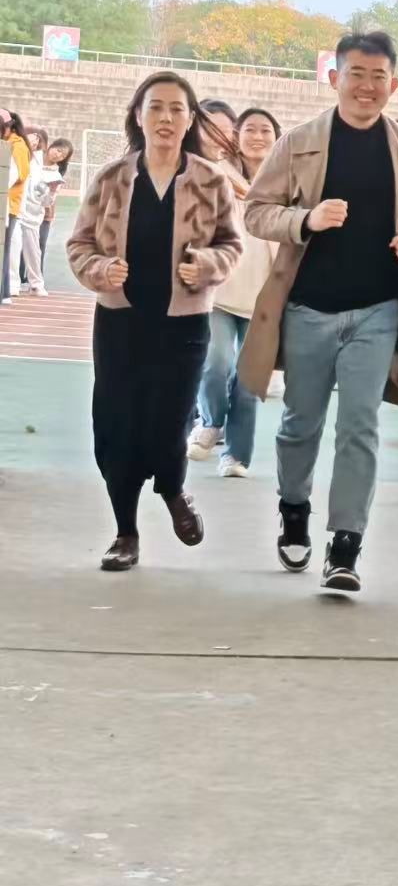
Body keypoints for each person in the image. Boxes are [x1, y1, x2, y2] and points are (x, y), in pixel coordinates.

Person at [238, 31, 398, 594]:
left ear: (394, 84)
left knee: (360, 426)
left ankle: (345, 544)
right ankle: (293, 510)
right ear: (335, 78)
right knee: (300, 424)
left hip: (379, 309)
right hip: (307, 308)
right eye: (356, 74)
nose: (367, 86)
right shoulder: (299, 142)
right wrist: (304, 220)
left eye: (379, 76)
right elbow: (256, 212)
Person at [66, 73, 243, 571]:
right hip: (119, 322)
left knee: (170, 421)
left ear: (190, 120)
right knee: (115, 423)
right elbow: (79, 244)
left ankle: (172, 488)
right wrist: (101, 269)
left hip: (183, 323)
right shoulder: (111, 178)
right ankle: (125, 532)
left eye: (176, 109)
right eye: (156, 107)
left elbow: (232, 245)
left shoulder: (211, 180)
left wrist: (205, 265)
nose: (166, 118)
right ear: (138, 115)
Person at [187, 107, 281, 478]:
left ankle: (236, 456)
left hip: (264, 297)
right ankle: (211, 421)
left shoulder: (285, 181)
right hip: (219, 291)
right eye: (250, 130)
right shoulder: (216, 175)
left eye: (266, 130)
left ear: (276, 138)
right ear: (236, 136)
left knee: (248, 382)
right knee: (214, 364)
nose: (258, 137)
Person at [17, 137, 70, 296]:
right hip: (16, 208)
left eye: (62, 156)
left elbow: (47, 203)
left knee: (33, 251)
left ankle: (36, 284)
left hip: (33, 216)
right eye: (58, 150)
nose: (58, 155)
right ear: (52, 146)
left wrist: (51, 192)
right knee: (12, 248)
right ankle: (12, 283)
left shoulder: (55, 175)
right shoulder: (33, 156)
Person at [2, 108, 31, 304]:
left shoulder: (18, 146)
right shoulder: (6, 144)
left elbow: (17, 175)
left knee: (4, 250)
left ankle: (4, 292)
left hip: (8, 206)